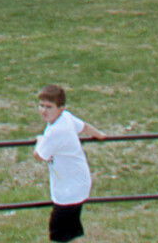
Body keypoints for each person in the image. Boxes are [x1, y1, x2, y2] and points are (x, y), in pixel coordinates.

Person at [33, 84, 108, 240]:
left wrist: (40, 140)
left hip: (68, 191)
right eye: (41, 106)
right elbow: (84, 127)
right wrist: (100, 135)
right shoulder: (66, 117)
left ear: (60, 108)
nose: (44, 111)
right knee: (69, 230)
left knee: (58, 234)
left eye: (49, 107)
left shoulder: (54, 132)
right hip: (79, 185)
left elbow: (39, 155)